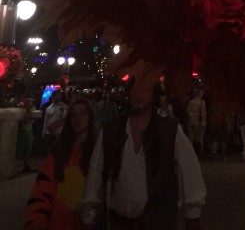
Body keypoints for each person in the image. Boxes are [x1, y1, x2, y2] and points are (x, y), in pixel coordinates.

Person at [82, 64, 206, 230]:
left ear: (153, 94)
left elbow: (189, 170)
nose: (138, 94)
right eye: (134, 89)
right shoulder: (112, 130)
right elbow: (96, 172)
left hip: (157, 222)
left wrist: (193, 214)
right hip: (119, 222)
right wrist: (90, 213)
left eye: (144, 89)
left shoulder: (169, 130)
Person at [25, 97, 97, 230]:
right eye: (73, 115)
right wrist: (37, 222)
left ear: (90, 117)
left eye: (82, 114)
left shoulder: (97, 153)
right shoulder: (59, 152)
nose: (77, 119)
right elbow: (42, 188)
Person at [186, 86, 207, 158]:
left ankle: (190, 153)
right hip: (199, 123)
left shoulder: (190, 102)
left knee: (191, 138)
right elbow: (203, 113)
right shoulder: (202, 102)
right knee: (200, 139)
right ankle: (200, 153)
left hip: (191, 122)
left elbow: (188, 112)